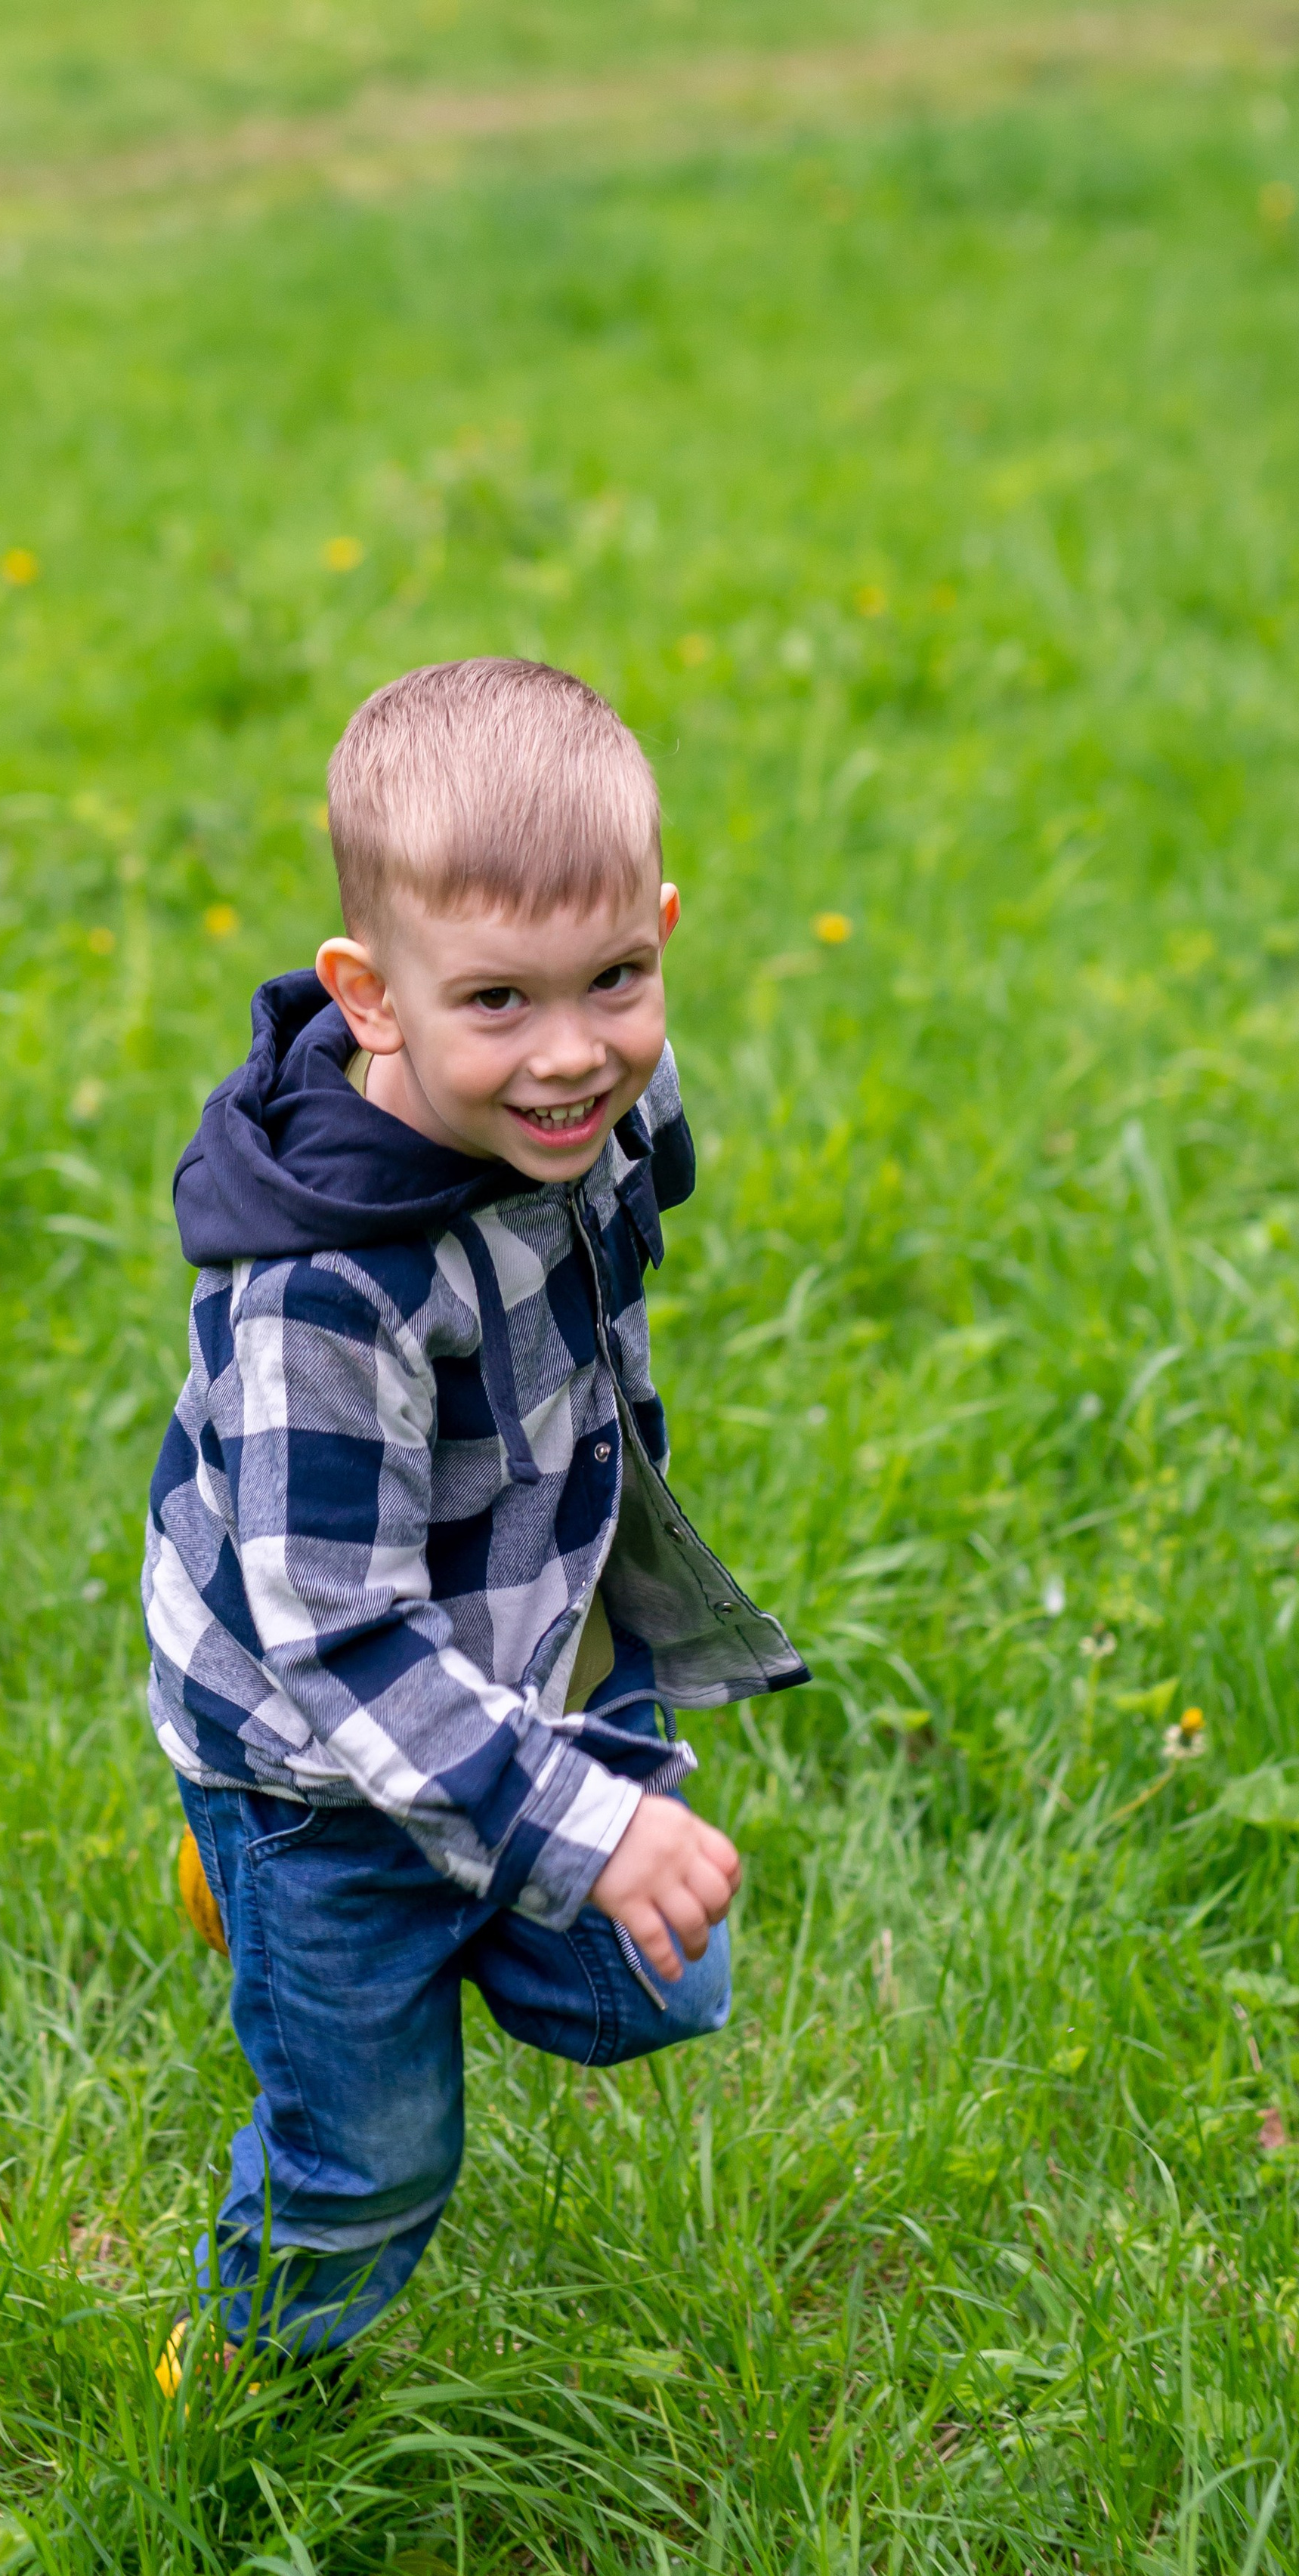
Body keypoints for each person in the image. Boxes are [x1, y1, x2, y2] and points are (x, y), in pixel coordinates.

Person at [141, 656, 807, 2380]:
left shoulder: (583, 1100)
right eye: (497, 1001)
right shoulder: (324, 1300)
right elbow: (348, 1643)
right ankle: (234, 2383)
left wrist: (583, 1812)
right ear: (367, 995)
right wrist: (586, 1829)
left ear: (658, 928)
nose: (572, 1054)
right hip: (315, 1755)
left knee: (666, 1980)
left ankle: (433, 1892)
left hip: (517, 1640)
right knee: (370, 2165)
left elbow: (613, 1178)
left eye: (618, 979)